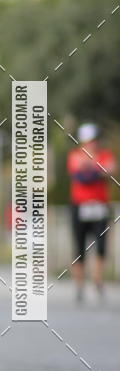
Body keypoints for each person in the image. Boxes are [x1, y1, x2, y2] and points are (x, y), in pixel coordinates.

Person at [67, 123, 116, 303]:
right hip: (80, 206)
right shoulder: (75, 155)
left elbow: (110, 170)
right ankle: (79, 285)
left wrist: (90, 168)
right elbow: (80, 177)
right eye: (90, 141)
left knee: (102, 246)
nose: (93, 144)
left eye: (95, 140)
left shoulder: (105, 155)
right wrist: (99, 170)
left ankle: (98, 280)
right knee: (80, 247)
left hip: (100, 206)